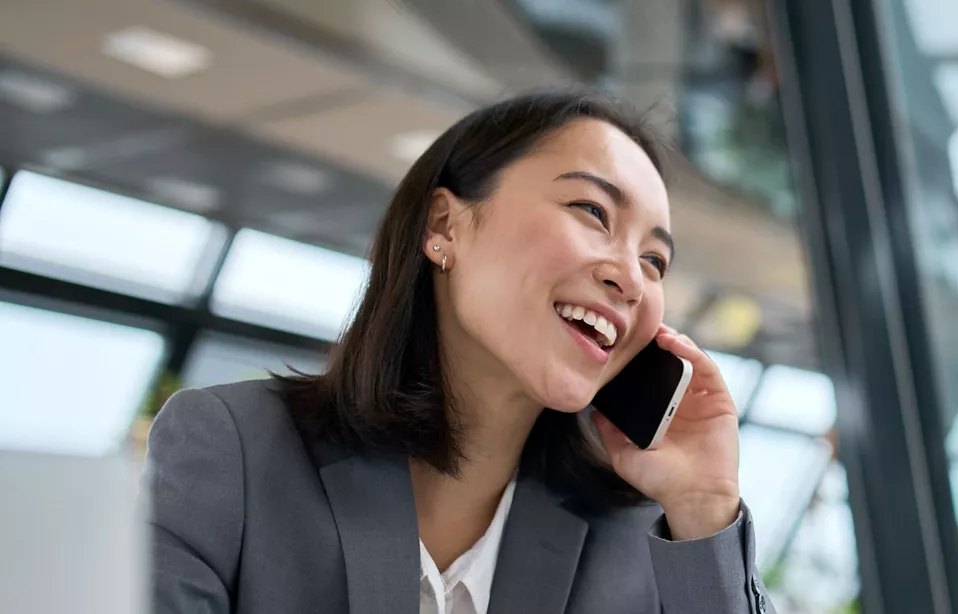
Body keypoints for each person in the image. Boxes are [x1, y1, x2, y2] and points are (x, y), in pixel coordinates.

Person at [144, 92, 776, 614]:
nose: (632, 280)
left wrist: (702, 506)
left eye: (655, 261)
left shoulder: (639, 540)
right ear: (444, 226)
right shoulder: (234, 452)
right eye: (592, 210)